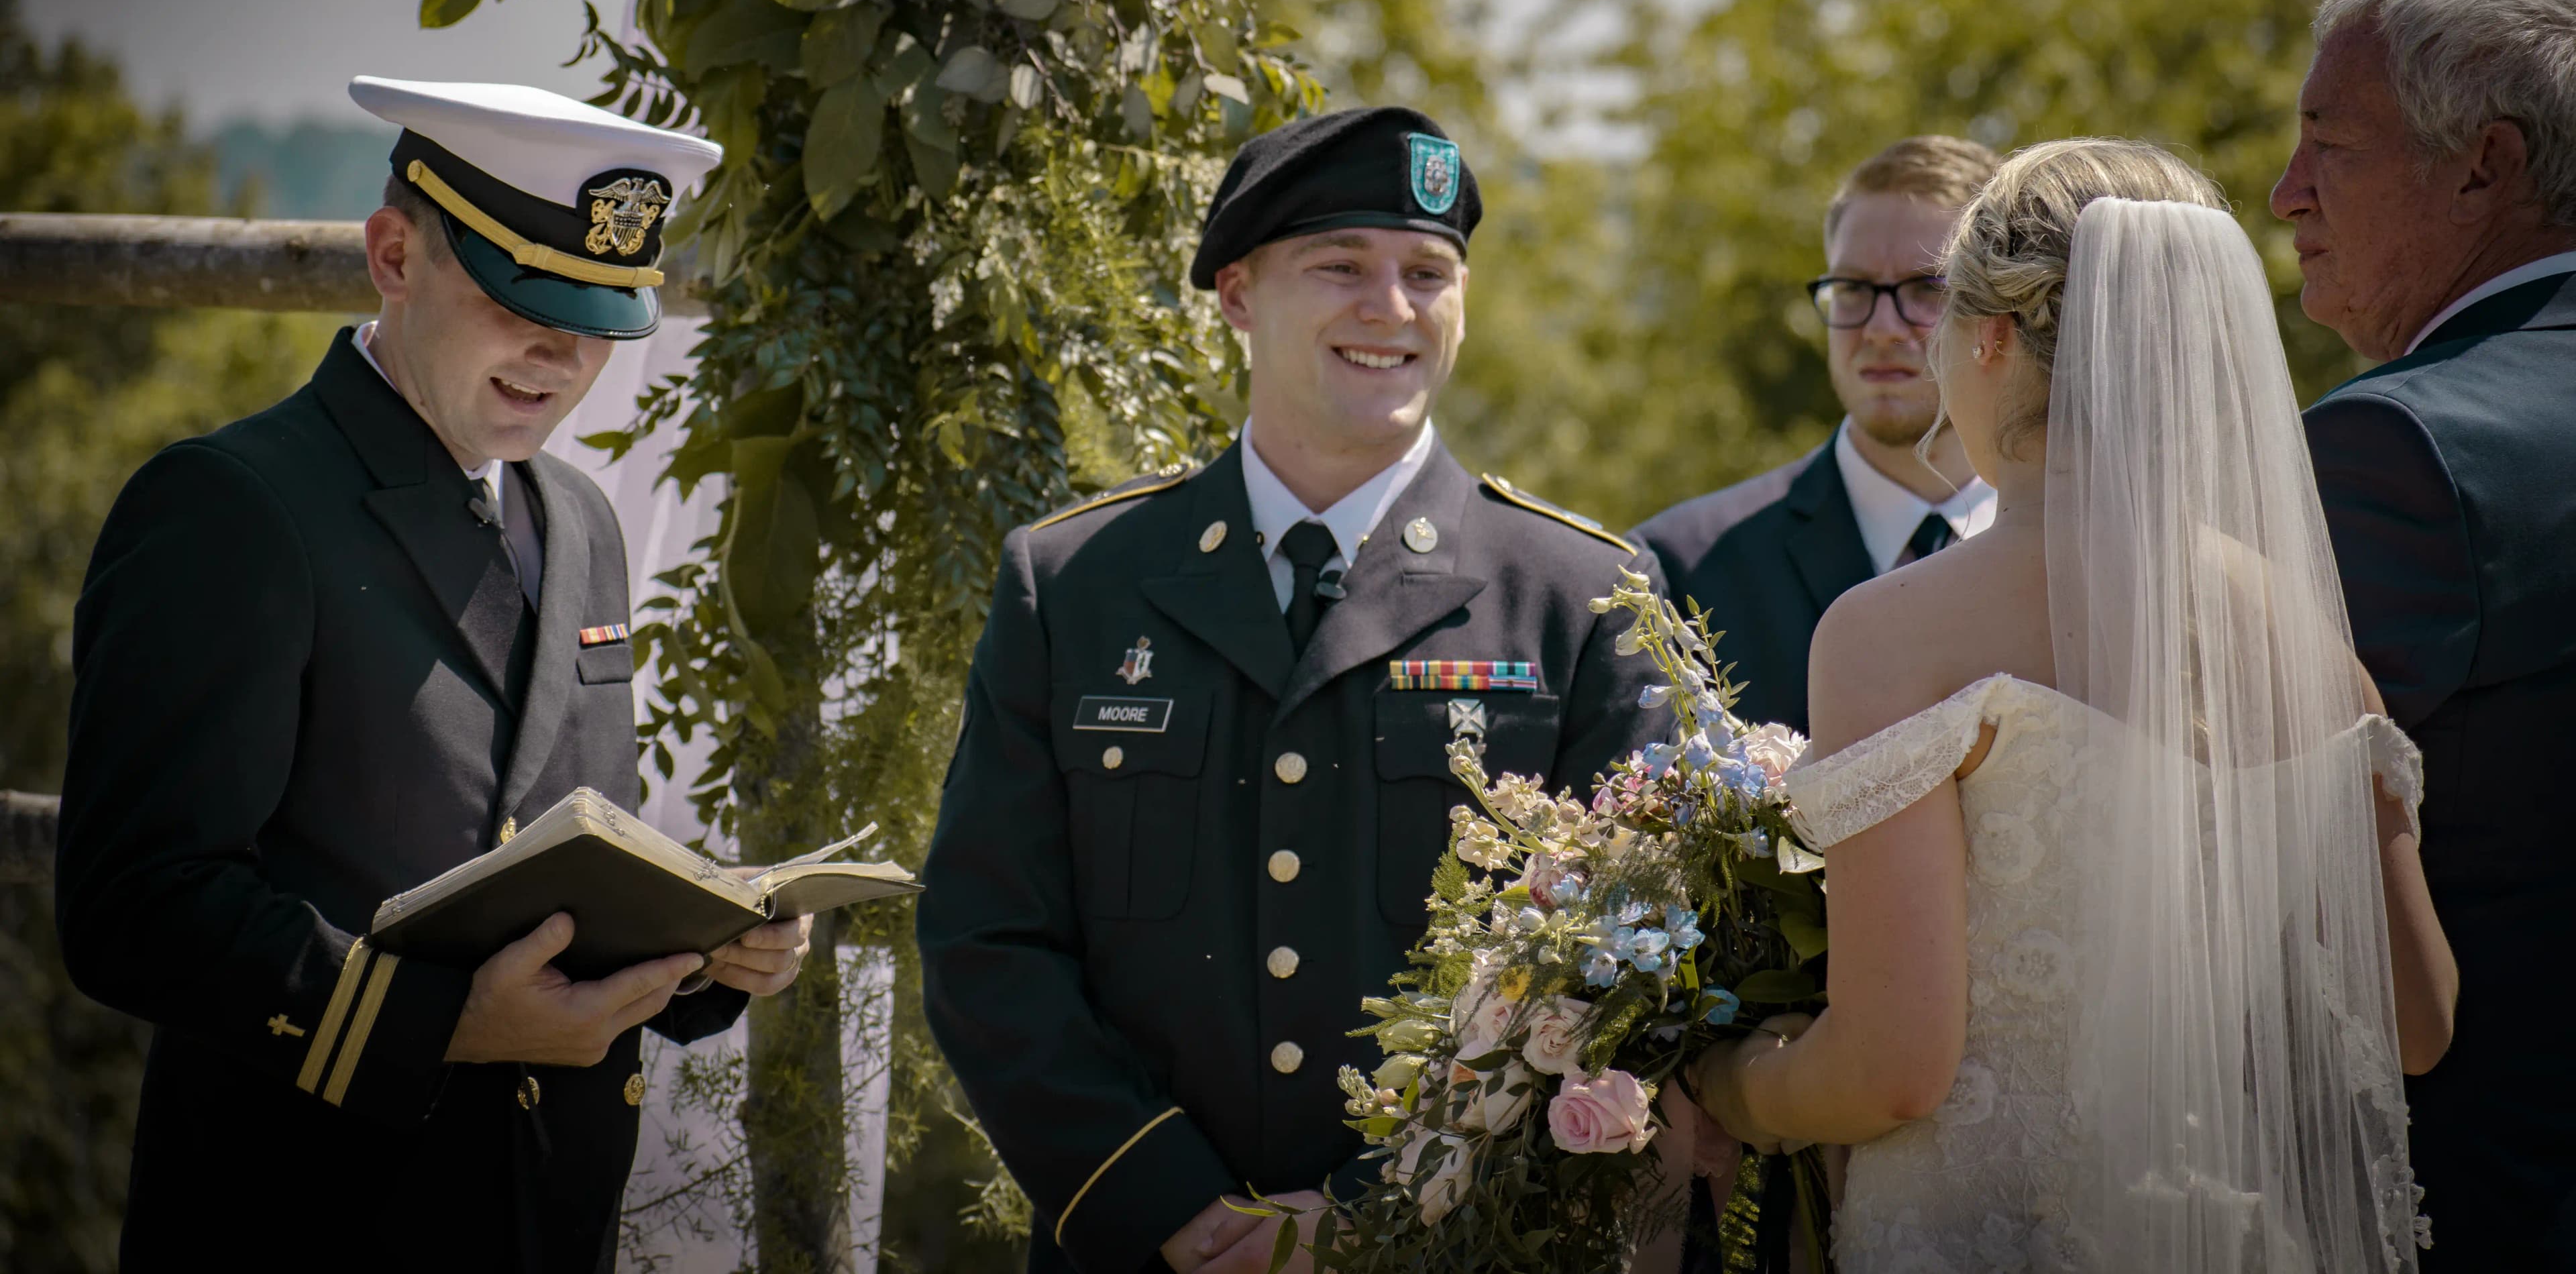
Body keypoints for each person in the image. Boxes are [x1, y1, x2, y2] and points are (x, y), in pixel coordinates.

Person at [54, 78, 815, 1272]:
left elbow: (548, 835)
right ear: (393, 253)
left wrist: (700, 947)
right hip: (311, 1214)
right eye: (521, 296)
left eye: (600, 315)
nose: (560, 355)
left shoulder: (580, 519)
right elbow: (134, 907)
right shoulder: (232, 506)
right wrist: (445, 1024)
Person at [916, 106, 1666, 1274]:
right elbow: (988, 938)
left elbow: (1622, 968)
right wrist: (1169, 1204)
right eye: (1341, 267)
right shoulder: (1074, 585)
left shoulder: (1581, 596)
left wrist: (1385, 1209)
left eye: (1429, 272)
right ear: (1236, 295)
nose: (1392, 307)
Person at [1685, 140, 2455, 1271]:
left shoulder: (1891, 633)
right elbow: (2419, 1023)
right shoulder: (2308, 646)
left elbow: (1894, 1069)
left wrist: (1736, 1084)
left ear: (1990, 336)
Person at [2274, 0, 2576, 1267]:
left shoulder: (2393, 451)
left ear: (2484, 165)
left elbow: (2274, 884)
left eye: (2327, 144)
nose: (2285, 196)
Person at [1631, 136, 2000, 733]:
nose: (1881, 328)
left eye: (1926, 289)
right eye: (1853, 290)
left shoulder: (2083, 555)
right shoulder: (1682, 568)